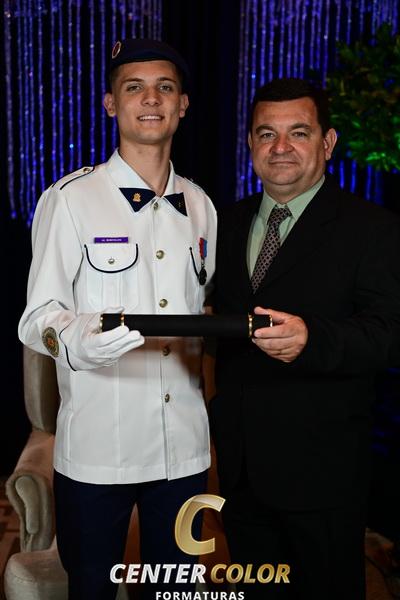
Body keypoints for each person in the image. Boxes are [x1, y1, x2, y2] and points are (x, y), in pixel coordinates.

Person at [18, 39, 216, 600]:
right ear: (111, 104)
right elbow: (37, 318)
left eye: (165, 88)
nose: (151, 99)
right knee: (93, 591)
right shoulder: (69, 199)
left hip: (184, 450)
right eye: (134, 88)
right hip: (99, 450)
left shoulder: (202, 207)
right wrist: (80, 338)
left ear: (183, 105)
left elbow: (200, 310)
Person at [210, 77, 400, 600]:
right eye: (266, 134)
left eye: (298, 132)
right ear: (250, 143)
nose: (281, 147)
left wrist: (313, 339)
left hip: (323, 474)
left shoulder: (372, 229)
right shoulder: (225, 223)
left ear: (327, 142)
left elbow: (391, 333)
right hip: (241, 471)